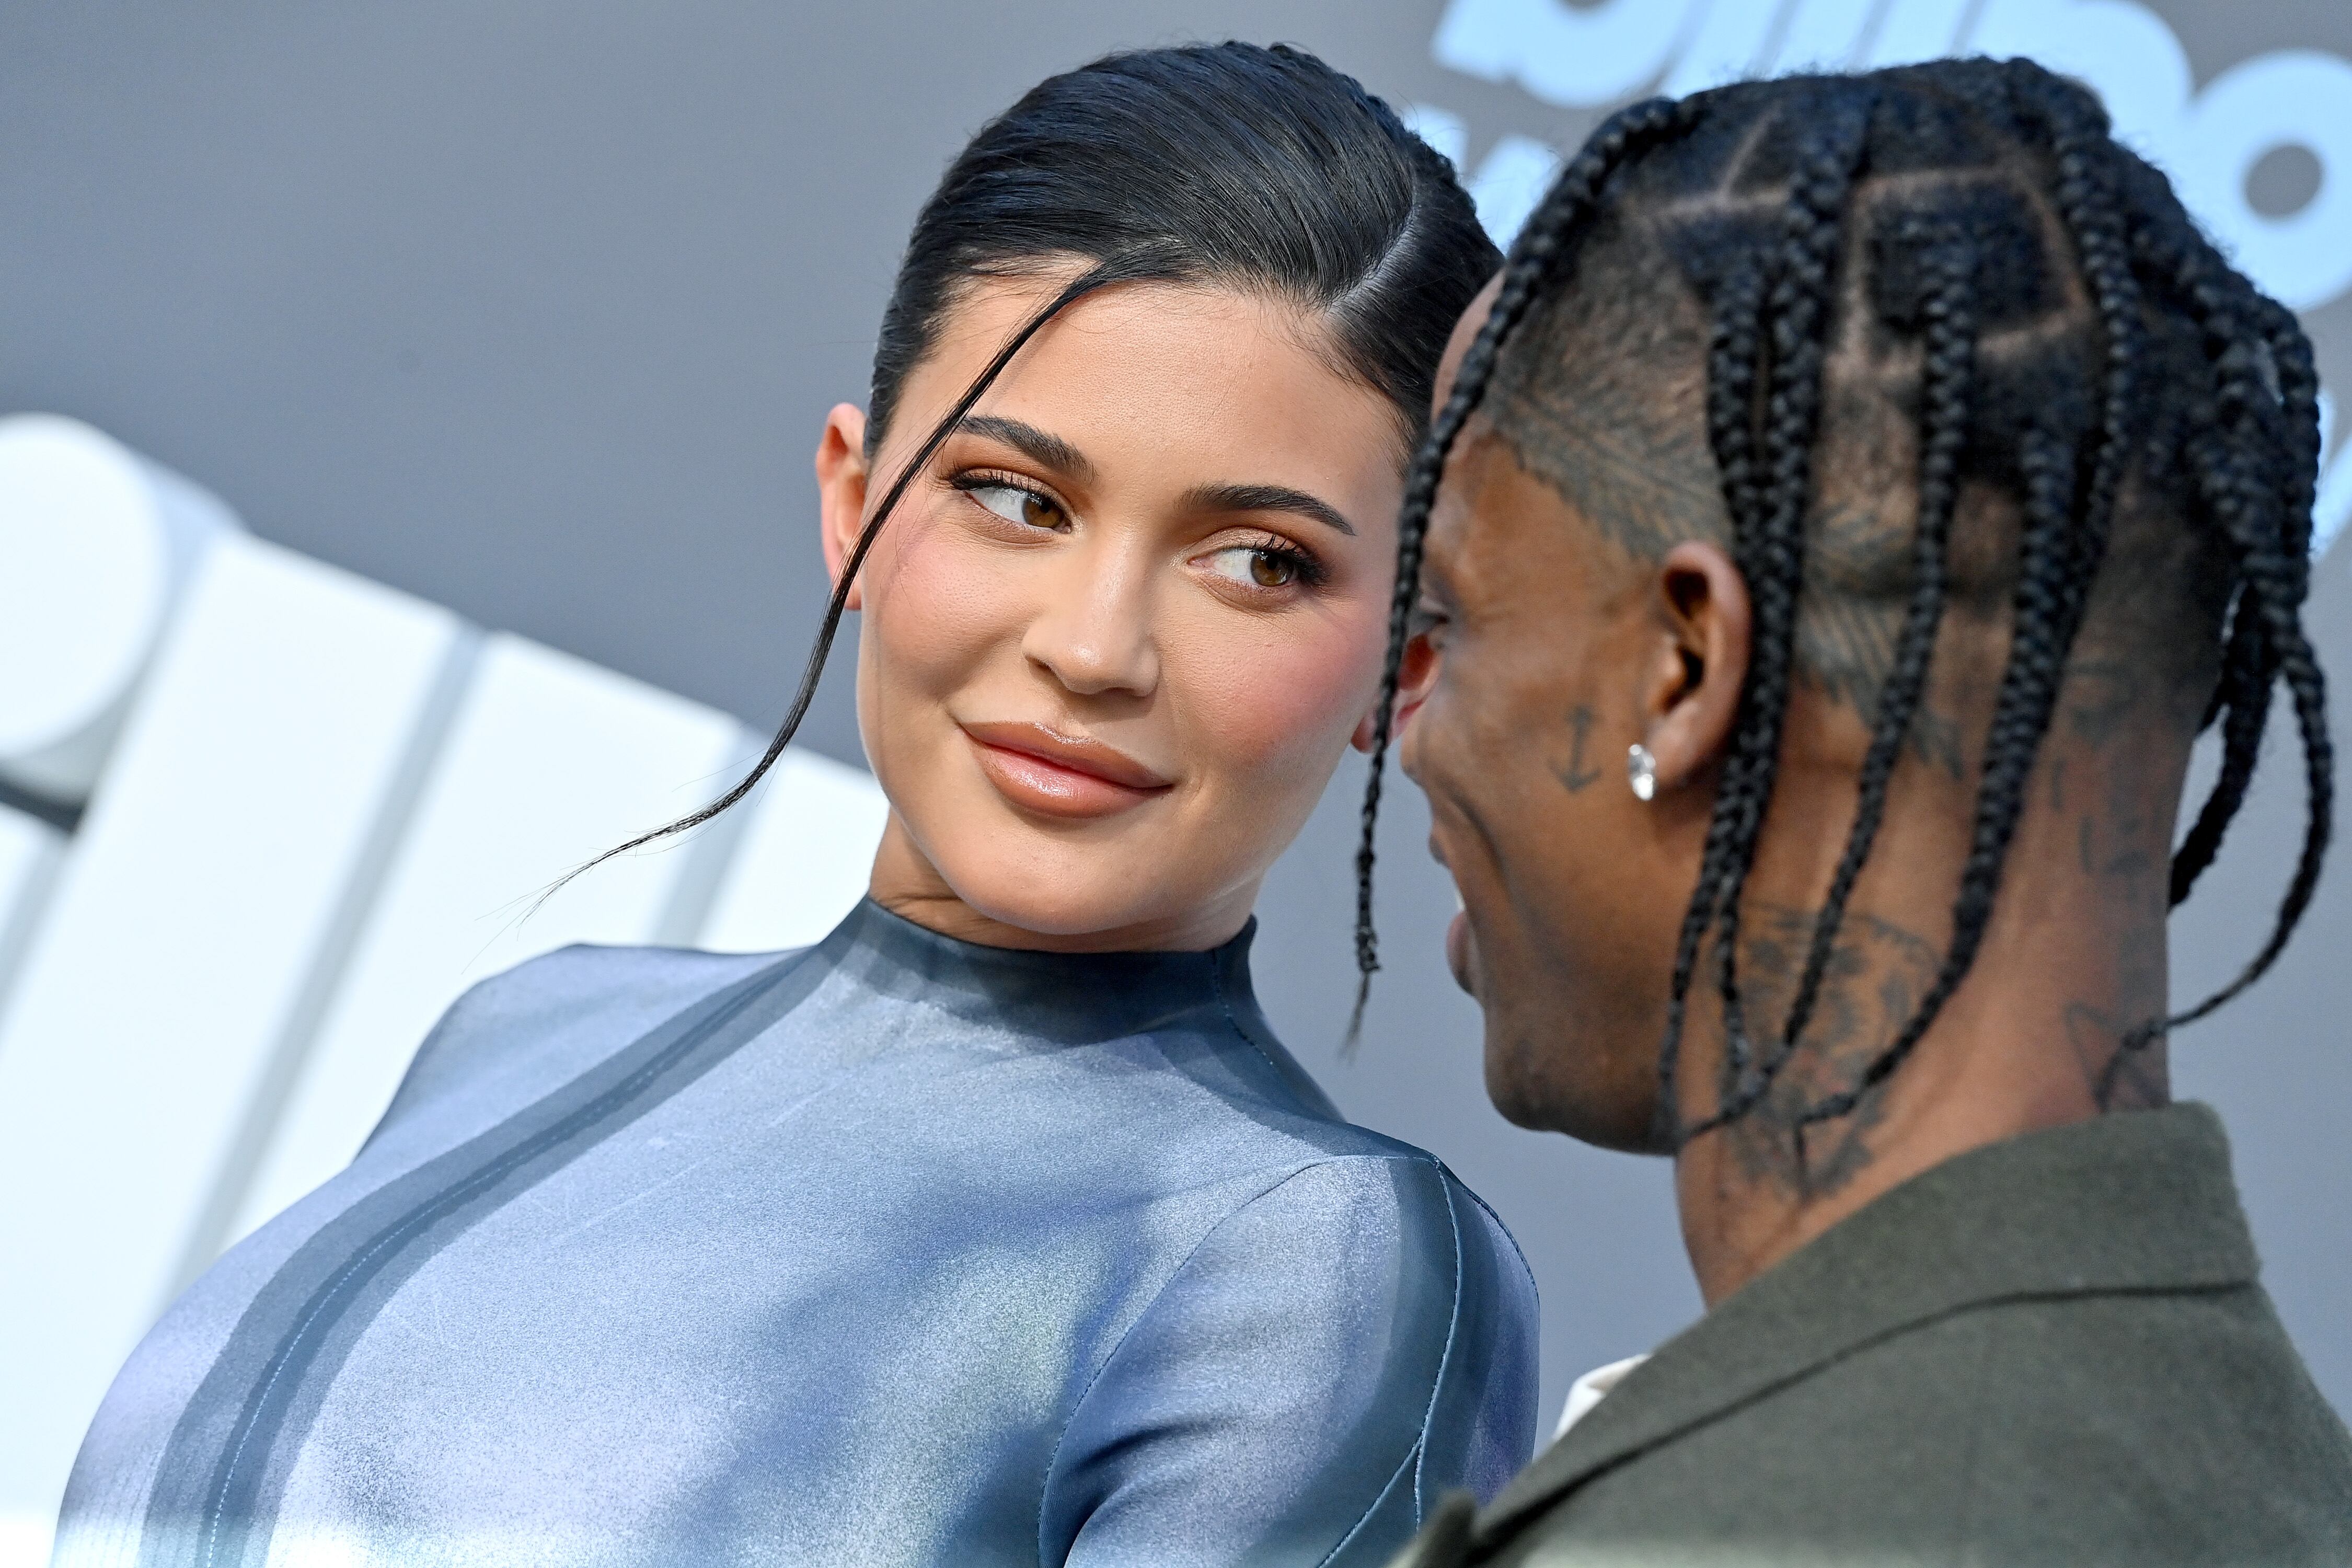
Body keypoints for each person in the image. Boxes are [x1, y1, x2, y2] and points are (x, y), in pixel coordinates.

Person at [55, 43, 1537, 1568]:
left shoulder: (1318, 1267)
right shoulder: (532, 1028)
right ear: (852, 496)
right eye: (1017, 499)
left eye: (1256, 563)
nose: (1093, 649)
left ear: (1405, 666)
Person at [1361, 58, 2352, 1566]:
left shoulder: (1708, 1550)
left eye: (1448, 617)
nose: (1401, 725)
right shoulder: (2278, 1480)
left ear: (1680, 667)